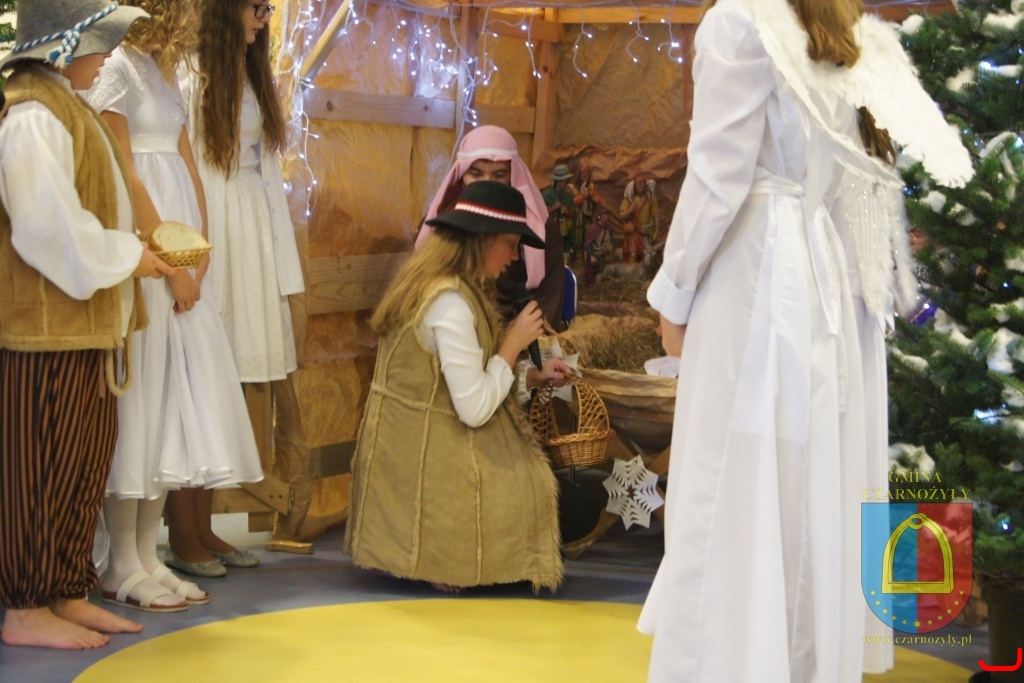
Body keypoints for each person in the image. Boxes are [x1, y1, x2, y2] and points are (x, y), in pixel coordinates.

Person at [638, 0, 972, 681]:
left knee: (731, 485)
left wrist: (671, 291)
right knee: (802, 486)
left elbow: (717, 178)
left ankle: (730, 662)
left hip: (754, 273)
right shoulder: (843, 29)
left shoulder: (740, 22)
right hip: (821, 273)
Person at [0, 0, 177, 649]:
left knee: (79, 465)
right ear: (62, 43)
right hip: (45, 333)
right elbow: (44, 227)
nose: (106, 57)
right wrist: (130, 256)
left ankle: (65, 588)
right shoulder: (32, 116)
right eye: (97, 41)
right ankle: (24, 606)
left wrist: (127, 253)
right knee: (38, 470)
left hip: (84, 326)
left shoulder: (66, 108)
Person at [84, 0, 264, 609]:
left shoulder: (162, 75)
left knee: (167, 400)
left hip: (180, 263)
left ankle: (145, 555)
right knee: (139, 401)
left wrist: (199, 252)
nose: (194, 15)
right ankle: (121, 560)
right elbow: (124, 172)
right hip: (145, 256)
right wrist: (166, 257)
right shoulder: (117, 68)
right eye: (186, 6)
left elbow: (186, 164)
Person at [345, 181, 568, 593]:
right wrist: (513, 343)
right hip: (424, 466)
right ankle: (438, 555)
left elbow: (454, 383)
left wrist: (528, 376)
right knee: (535, 496)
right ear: (483, 241)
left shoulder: (440, 285)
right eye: (511, 244)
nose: (515, 257)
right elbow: (474, 408)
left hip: (403, 456)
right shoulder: (449, 302)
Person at [171, 0, 305, 575]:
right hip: (210, 224)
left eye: (268, 9)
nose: (265, 18)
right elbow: (180, 165)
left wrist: (282, 270)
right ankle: (184, 533)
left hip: (247, 230)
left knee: (223, 383)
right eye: (257, 7)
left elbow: (265, 171)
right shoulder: (190, 76)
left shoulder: (250, 76)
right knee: (197, 378)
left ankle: (203, 528)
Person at [416, 125, 565, 330]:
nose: (487, 184)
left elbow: (547, 307)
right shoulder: (443, 225)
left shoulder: (543, 232)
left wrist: (514, 340)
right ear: (462, 176)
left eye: (498, 175)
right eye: (476, 174)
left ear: (513, 177)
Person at [617, 174, 657, 263]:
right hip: (634, 230)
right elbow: (621, 216)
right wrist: (630, 209)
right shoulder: (629, 199)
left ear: (645, 185)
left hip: (646, 231)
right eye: (638, 186)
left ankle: (640, 270)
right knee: (633, 253)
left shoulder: (651, 198)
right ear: (634, 187)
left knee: (646, 254)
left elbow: (655, 216)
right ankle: (630, 269)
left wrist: (656, 232)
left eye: (642, 185)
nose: (640, 188)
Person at [542, 164, 577, 261]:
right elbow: (541, 213)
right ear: (557, 181)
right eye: (561, 181)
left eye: (565, 181)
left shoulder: (568, 195)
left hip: (564, 228)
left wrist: (566, 211)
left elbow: (572, 213)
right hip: (550, 229)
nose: (564, 183)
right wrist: (554, 207)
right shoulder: (546, 194)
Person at [584, 208, 615, 286]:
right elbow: (589, 243)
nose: (606, 218)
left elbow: (611, 238)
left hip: (604, 253)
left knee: (604, 271)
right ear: (599, 217)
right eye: (603, 216)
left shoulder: (608, 227)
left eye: (606, 216)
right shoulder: (594, 228)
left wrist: (611, 246)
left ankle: (602, 285)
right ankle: (595, 286)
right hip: (595, 254)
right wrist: (591, 255)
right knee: (596, 271)